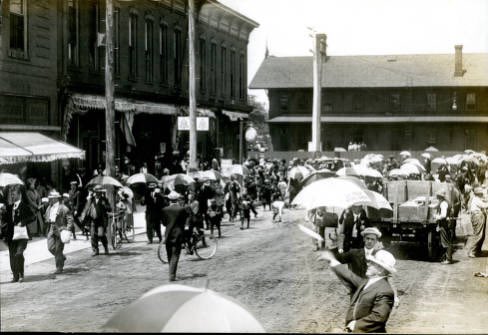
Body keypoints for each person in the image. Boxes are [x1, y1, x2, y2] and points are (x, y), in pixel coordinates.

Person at [318, 249, 396, 333]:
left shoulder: (385, 290)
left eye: (372, 263)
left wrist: (356, 324)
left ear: (381, 270)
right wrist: (332, 260)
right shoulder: (366, 282)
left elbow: (379, 317)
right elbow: (349, 276)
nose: (368, 264)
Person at [1, 185, 35, 283]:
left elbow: (33, 217)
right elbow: (6, 220)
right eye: (11, 194)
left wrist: (23, 222)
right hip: (11, 235)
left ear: (19, 195)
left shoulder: (24, 206)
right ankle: (15, 275)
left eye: (14, 194)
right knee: (12, 255)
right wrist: (3, 213)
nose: (12, 196)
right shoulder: (9, 207)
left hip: (22, 235)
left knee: (19, 253)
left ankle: (21, 274)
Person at [44, 191, 74, 274]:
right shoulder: (49, 207)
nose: (50, 200)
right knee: (50, 247)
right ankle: (61, 257)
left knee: (58, 249)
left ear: (56, 198)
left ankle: (59, 267)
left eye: (51, 198)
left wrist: (68, 229)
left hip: (60, 229)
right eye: (50, 198)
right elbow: (46, 217)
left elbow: (70, 219)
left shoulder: (63, 208)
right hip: (51, 227)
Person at [161, 191, 188, 281]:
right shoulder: (181, 209)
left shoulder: (165, 210)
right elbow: (184, 222)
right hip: (178, 234)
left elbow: (164, 223)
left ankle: (171, 273)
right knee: (175, 255)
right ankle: (172, 275)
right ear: (177, 199)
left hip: (168, 234)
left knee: (169, 254)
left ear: (169, 199)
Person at [80, 185, 111, 256]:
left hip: (101, 220)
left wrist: (105, 205)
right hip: (93, 220)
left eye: (99, 192)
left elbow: (109, 208)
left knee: (101, 234)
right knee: (93, 235)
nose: (98, 193)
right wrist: (83, 217)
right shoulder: (91, 199)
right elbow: (86, 208)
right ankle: (95, 250)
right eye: (96, 192)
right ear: (95, 192)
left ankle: (105, 247)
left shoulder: (104, 199)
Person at [466, 187, 488, 258]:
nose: (482, 194)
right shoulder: (476, 199)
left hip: (479, 216)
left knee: (482, 235)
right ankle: (472, 251)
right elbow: (484, 205)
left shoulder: (477, 199)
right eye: (481, 193)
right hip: (477, 216)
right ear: (478, 194)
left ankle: (477, 250)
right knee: (478, 234)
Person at [434, 190, 453, 264]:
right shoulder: (444, 202)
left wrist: (436, 216)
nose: (436, 197)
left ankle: (448, 259)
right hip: (447, 223)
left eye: (437, 196)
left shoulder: (443, 204)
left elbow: (443, 215)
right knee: (446, 241)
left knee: (445, 242)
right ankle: (446, 258)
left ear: (439, 196)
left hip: (444, 224)